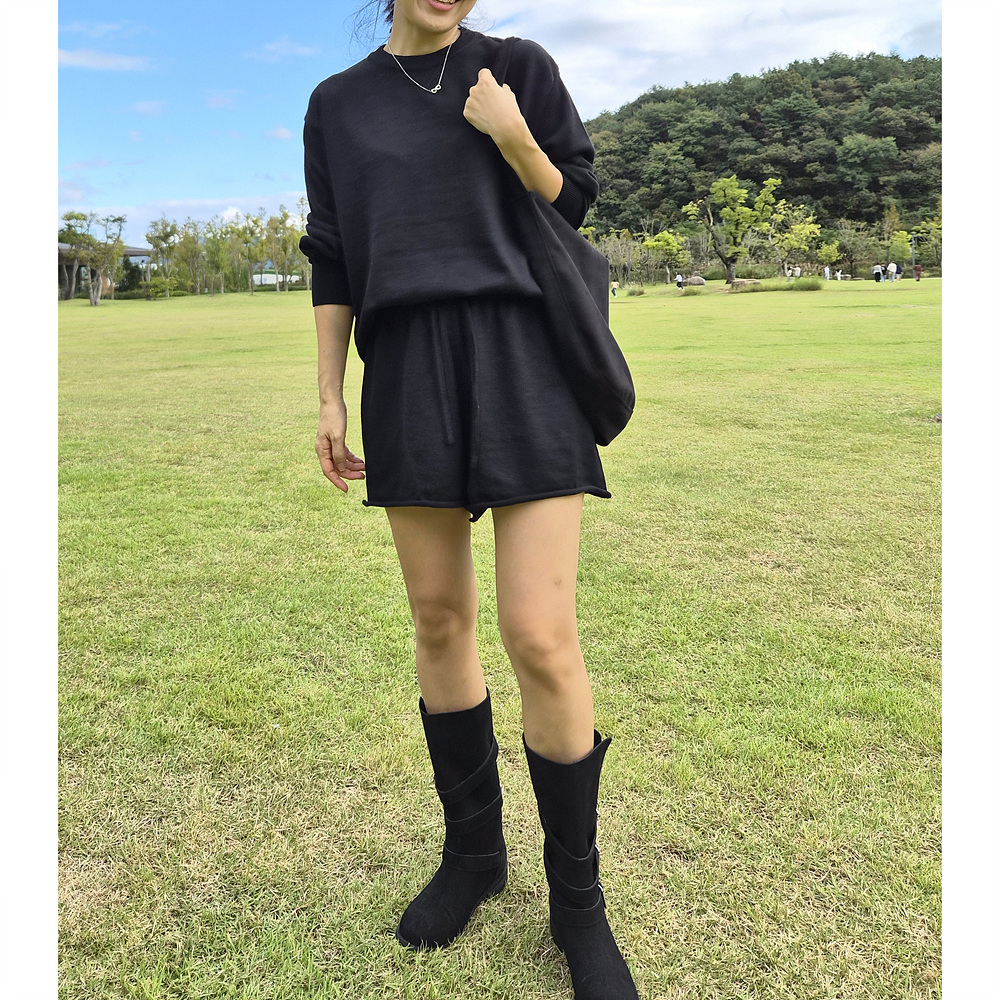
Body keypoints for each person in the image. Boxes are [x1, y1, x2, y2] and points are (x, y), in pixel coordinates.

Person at [299, 4, 640, 999]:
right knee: (439, 617)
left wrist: (513, 134)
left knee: (541, 634)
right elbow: (333, 253)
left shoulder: (516, 67)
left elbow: (571, 199)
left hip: (524, 355)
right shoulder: (337, 103)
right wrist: (329, 394)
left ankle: (578, 907)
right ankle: (474, 855)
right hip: (406, 362)